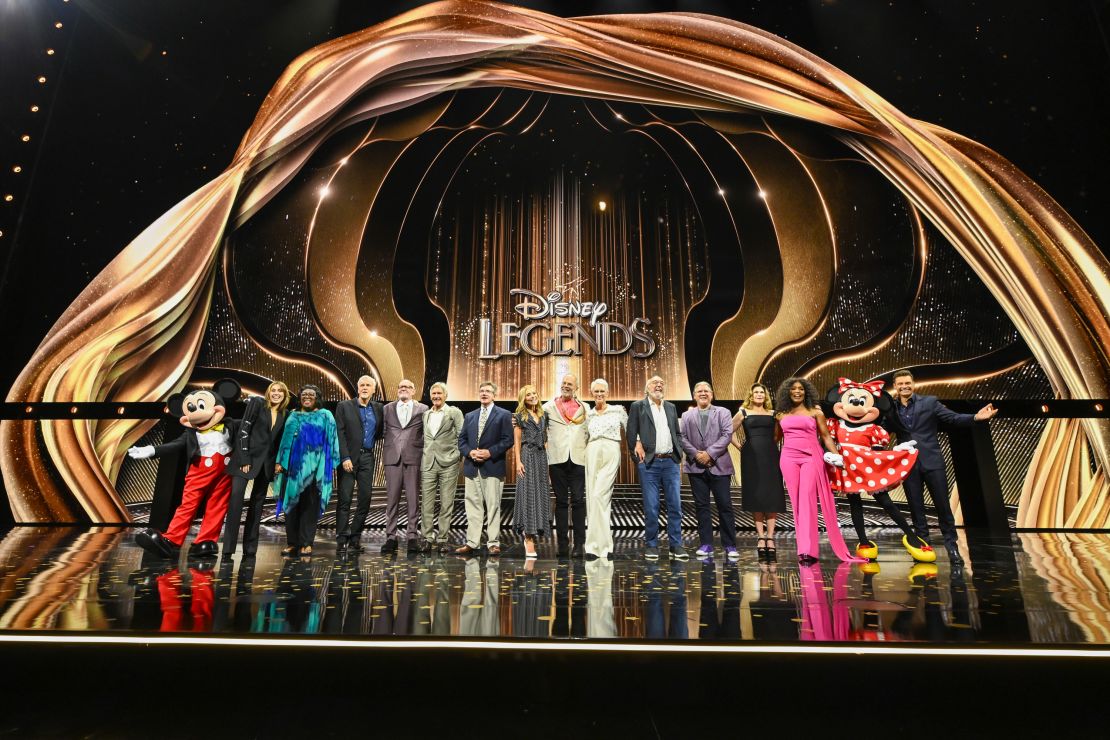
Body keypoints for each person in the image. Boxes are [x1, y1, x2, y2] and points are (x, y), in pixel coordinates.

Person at [887, 369, 998, 565]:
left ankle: (952, 548)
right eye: (900, 384)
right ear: (895, 386)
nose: (904, 387)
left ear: (913, 384)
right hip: (907, 465)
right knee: (916, 509)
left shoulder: (929, 402)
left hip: (932, 462)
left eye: (908, 383)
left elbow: (953, 418)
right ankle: (923, 548)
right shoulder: (890, 408)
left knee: (943, 508)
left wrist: (976, 418)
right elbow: (880, 428)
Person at [775, 377, 860, 564]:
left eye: (801, 389)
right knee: (796, 502)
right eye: (794, 389)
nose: (797, 392)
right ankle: (804, 549)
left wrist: (838, 457)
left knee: (807, 499)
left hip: (810, 458)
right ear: (788, 392)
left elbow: (826, 437)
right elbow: (775, 439)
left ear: (806, 392)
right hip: (788, 459)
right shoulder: (780, 415)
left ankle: (808, 550)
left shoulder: (816, 412)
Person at [222, 380, 290, 557]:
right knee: (236, 503)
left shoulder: (285, 414)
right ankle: (228, 548)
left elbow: (279, 442)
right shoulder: (257, 403)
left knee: (257, 506)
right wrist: (244, 458)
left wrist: (278, 463)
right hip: (244, 460)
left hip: (266, 464)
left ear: (284, 395)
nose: (276, 393)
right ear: (269, 392)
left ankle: (250, 549)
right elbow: (244, 430)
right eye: (273, 390)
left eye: (280, 391)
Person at [273, 384, 340, 557]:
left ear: (317, 397)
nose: (307, 397)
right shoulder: (293, 415)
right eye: (304, 394)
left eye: (311, 394)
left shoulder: (326, 415)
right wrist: (280, 461)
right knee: (291, 505)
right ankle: (292, 543)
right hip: (292, 470)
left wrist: (329, 464)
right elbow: (285, 440)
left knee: (309, 507)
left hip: (315, 469)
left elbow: (332, 439)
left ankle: (306, 543)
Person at [627, 375, 686, 561]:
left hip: (670, 462)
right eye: (655, 383)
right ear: (647, 388)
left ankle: (676, 545)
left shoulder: (670, 407)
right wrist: (637, 451)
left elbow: (677, 432)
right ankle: (652, 545)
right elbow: (631, 432)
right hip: (649, 463)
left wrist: (679, 452)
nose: (659, 385)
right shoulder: (638, 406)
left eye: (661, 383)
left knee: (675, 506)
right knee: (652, 507)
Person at [680, 381, 739, 560]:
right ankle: (706, 544)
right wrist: (697, 455)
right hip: (696, 467)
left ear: (712, 395)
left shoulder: (723, 412)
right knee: (701, 506)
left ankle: (730, 545)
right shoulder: (686, 415)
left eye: (706, 391)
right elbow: (681, 437)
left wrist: (709, 454)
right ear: (694, 395)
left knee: (725, 506)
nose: (703, 393)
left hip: (719, 466)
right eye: (699, 391)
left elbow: (727, 435)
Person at [456, 381, 514, 557]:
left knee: (493, 505)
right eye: (481, 391)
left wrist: (490, 452)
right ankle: (472, 542)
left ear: (494, 395)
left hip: (493, 467)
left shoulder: (503, 414)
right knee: (472, 506)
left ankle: (493, 543)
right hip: (472, 467)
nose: (484, 393)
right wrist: (470, 452)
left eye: (488, 391)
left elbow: (507, 440)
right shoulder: (470, 416)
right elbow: (462, 441)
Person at [731, 382, 785, 560]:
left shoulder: (773, 414)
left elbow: (779, 434)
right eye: (756, 392)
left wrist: (770, 446)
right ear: (751, 395)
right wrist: (741, 447)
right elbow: (728, 431)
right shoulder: (744, 412)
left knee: (771, 495)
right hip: (751, 457)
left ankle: (770, 537)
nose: (759, 395)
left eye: (762, 392)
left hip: (770, 456)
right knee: (756, 495)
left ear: (766, 396)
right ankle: (761, 537)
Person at [334, 375, 384, 555]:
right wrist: (344, 457)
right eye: (361, 384)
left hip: (367, 458)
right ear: (357, 387)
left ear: (373, 389)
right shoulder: (344, 406)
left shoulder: (378, 408)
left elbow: (379, 432)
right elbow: (339, 433)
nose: (364, 387)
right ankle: (341, 539)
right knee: (345, 499)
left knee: (365, 498)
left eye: (368, 385)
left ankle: (354, 537)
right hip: (348, 459)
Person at [542, 374, 588, 557]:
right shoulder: (548, 407)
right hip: (557, 459)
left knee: (578, 501)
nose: (566, 386)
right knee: (561, 502)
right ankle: (562, 545)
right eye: (564, 383)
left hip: (578, 459)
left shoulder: (585, 408)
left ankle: (579, 545)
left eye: (570, 384)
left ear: (576, 387)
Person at [381, 378, 428, 554]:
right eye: (401, 387)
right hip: (392, 457)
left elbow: (426, 432)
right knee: (392, 499)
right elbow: (383, 430)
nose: (404, 389)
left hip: (413, 457)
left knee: (413, 499)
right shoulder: (387, 409)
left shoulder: (423, 409)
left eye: (408, 387)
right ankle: (390, 537)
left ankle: (412, 536)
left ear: (414, 390)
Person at [583, 378, 627, 561]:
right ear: (592, 393)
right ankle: (595, 547)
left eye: (602, 391)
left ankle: (604, 544)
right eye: (596, 391)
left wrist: (639, 443)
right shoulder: (589, 414)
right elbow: (584, 436)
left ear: (607, 393)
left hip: (611, 449)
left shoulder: (618, 410)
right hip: (592, 451)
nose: (599, 394)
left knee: (599, 496)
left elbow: (632, 430)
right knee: (593, 498)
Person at [420, 381, 464, 553]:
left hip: (449, 463)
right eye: (434, 393)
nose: (436, 396)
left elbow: (462, 435)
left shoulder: (453, 412)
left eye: (439, 393)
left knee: (446, 503)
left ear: (446, 395)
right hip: (428, 463)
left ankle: (443, 538)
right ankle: (427, 538)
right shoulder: (426, 414)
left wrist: (457, 456)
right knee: (427, 504)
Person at [512, 385, 552, 558]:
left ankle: (537, 530)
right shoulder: (519, 416)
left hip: (541, 457)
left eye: (534, 393)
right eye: (528, 394)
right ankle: (528, 538)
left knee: (540, 494)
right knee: (528, 494)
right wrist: (518, 462)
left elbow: (546, 439)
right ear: (523, 398)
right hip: (527, 456)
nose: (532, 396)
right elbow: (517, 440)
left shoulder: (543, 415)